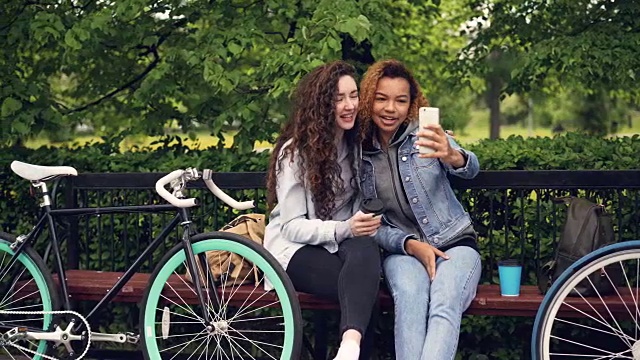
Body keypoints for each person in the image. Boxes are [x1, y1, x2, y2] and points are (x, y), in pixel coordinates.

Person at [357, 59, 482, 360]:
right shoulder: (357, 153)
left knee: (445, 300)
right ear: (368, 100)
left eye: (401, 101)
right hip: (402, 250)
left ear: (412, 104)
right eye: (381, 99)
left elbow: (471, 168)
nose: (390, 109)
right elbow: (368, 225)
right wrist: (409, 245)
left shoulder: (427, 134)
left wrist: (453, 154)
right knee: (410, 299)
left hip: (455, 243)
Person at [264, 60, 382, 360]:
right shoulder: (294, 154)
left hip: (341, 246)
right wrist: (345, 229)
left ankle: (348, 348)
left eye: (354, 95)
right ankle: (350, 349)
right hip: (293, 250)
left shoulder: (355, 145)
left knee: (365, 254)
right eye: (338, 98)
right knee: (363, 290)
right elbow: (291, 226)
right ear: (321, 105)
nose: (349, 105)